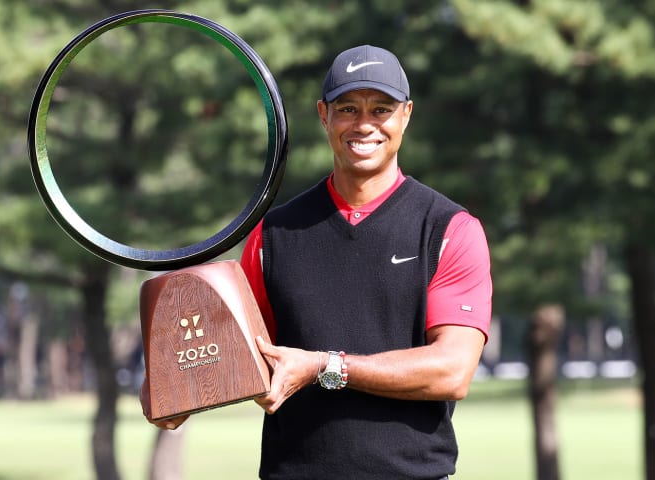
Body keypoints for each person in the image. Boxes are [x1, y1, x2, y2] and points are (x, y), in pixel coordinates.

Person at [157, 44, 492, 480]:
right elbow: (243, 356)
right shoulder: (272, 234)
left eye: (382, 109)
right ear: (323, 115)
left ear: (406, 115)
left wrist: (325, 367)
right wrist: (177, 386)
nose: (365, 124)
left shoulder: (449, 229)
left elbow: (452, 371)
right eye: (348, 108)